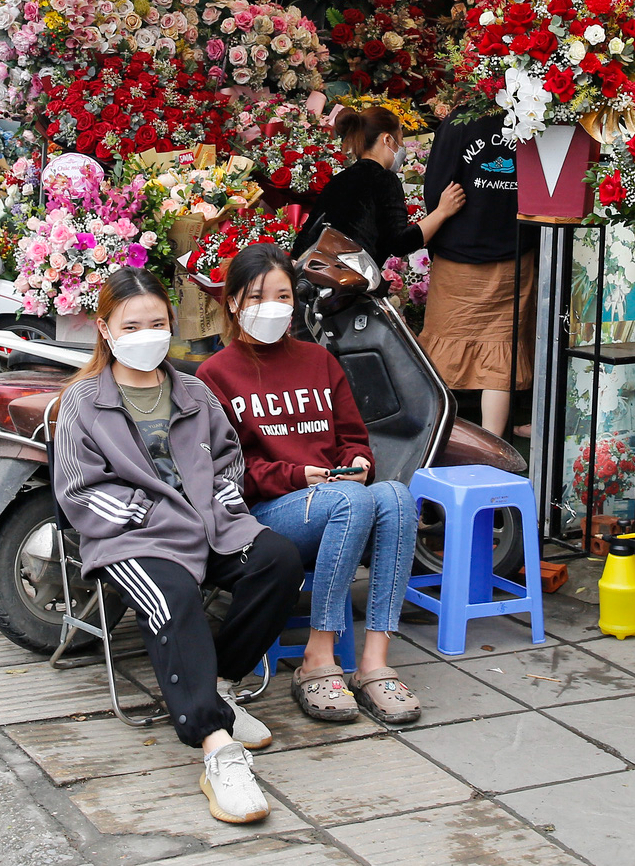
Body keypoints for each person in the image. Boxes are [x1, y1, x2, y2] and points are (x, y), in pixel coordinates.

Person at [52, 267, 301, 825]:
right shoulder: (83, 401)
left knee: (279, 561)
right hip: (132, 539)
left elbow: (227, 461)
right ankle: (216, 746)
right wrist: (148, 514)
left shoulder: (193, 391)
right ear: (105, 328)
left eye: (157, 323)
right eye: (132, 324)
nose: (147, 334)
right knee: (173, 599)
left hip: (209, 525)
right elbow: (78, 489)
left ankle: (218, 687)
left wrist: (223, 508)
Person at [197, 244, 421, 726]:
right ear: (233, 302)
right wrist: (299, 475)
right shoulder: (214, 375)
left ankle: (374, 662)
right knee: (350, 500)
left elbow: (353, 438)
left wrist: (358, 462)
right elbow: (227, 472)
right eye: (257, 297)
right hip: (267, 513)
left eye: (282, 296)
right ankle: (318, 658)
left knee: (395, 496)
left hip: (338, 497)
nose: (271, 307)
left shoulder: (319, 360)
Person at [417, 109, 536, 438]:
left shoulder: (459, 121)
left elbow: (436, 187)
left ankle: (435, 437)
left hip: (459, 254)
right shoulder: (533, 114)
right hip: (514, 249)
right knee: (501, 352)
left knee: (442, 351)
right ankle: (493, 444)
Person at [290, 104, 464, 266]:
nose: (402, 147)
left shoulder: (340, 179)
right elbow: (399, 243)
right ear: (387, 139)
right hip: (350, 283)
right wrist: (442, 211)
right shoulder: (384, 179)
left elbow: (306, 236)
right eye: (401, 139)